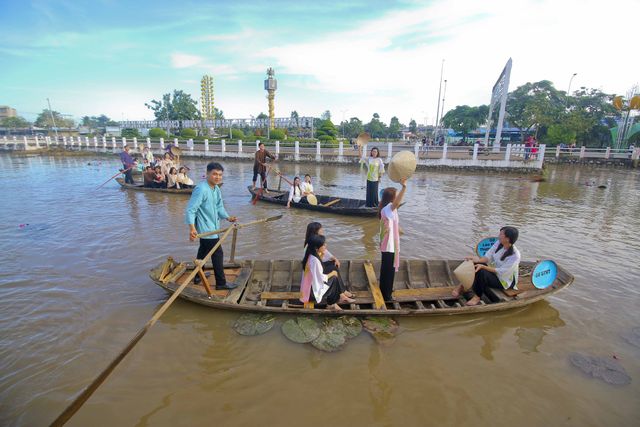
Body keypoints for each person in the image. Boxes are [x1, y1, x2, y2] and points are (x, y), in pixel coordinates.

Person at [186, 162, 238, 290]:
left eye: (220, 175)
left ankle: (198, 276)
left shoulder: (216, 189)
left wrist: (227, 217)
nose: (217, 177)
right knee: (218, 254)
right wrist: (192, 228)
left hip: (214, 226)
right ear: (207, 173)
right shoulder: (201, 189)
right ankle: (221, 283)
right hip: (206, 228)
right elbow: (190, 210)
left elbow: (219, 207)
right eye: (215, 174)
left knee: (203, 251)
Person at [452, 226, 521, 306]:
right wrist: (476, 260)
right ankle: (462, 285)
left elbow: (502, 271)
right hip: (495, 272)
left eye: (501, 234)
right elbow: (487, 257)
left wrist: (483, 267)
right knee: (473, 264)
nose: (499, 235)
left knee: (481, 271)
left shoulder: (515, 255)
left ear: (507, 239)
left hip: (503, 280)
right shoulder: (499, 243)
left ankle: (477, 296)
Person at [299, 234, 355, 310]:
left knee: (333, 267)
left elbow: (319, 271)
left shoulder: (311, 255)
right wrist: (332, 273)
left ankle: (341, 295)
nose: (325, 246)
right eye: (323, 245)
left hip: (309, 288)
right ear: (316, 248)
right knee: (334, 278)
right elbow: (321, 278)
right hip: (311, 294)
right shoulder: (314, 260)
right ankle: (331, 304)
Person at [378, 178, 407, 301]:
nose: (398, 199)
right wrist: (404, 188)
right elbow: (397, 203)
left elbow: (393, 223)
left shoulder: (387, 209)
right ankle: (387, 295)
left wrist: (399, 230)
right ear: (391, 199)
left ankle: (385, 290)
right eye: (396, 196)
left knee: (386, 268)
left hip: (388, 243)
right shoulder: (389, 207)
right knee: (388, 270)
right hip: (388, 244)